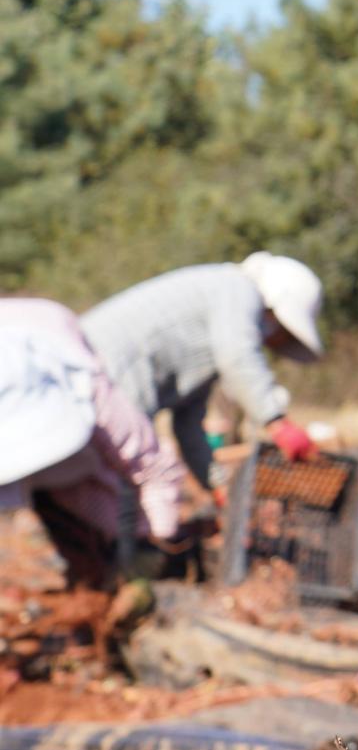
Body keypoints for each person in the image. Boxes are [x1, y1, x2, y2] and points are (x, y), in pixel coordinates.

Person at [78, 252, 327, 490]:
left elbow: (188, 424)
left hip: (99, 380)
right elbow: (238, 355)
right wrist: (276, 421)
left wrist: (216, 484)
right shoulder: (237, 289)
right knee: (122, 483)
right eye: (282, 331)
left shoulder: (209, 339)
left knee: (102, 483)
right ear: (274, 307)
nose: (275, 341)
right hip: (102, 372)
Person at [0, 299, 192, 591]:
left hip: (82, 465)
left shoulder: (90, 389)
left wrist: (153, 541)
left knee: (109, 517)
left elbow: (153, 468)